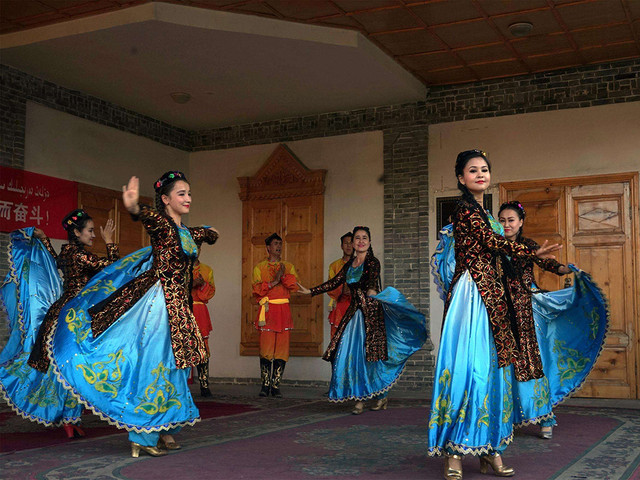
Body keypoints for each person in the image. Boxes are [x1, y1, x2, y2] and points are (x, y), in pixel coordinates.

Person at [47, 171, 219, 457]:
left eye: (189, 193)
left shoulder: (187, 232)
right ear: (165, 199)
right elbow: (146, 216)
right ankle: (142, 434)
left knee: (175, 368)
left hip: (179, 307)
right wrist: (133, 206)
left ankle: (164, 426)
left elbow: (209, 234)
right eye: (181, 194)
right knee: (152, 367)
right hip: (158, 306)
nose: (188, 198)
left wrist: (209, 232)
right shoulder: (163, 226)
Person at [427, 150, 564, 479]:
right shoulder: (463, 209)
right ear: (461, 178)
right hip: (472, 294)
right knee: (466, 368)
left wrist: (536, 257)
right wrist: (529, 250)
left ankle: (490, 450)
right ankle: (454, 453)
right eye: (472, 170)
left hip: (494, 299)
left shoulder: (485, 212)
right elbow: (491, 242)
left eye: (484, 170)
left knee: (493, 372)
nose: (480, 174)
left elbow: (500, 245)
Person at [0, 211, 118, 438]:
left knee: (68, 367)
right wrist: (110, 241)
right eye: (91, 231)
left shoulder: (67, 253)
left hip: (63, 313)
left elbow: (53, 259)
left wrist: (44, 239)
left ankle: (70, 419)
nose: (94, 235)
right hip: (76, 317)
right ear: (77, 232)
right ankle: (69, 418)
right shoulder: (81, 256)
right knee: (76, 367)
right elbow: (111, 268)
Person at [498, 200, 608, 440]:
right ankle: (506, 417)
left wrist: (566, 270)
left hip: (529, 309)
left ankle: (544, 416)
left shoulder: (528, 245)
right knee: (503, 365)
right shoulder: (494, 247)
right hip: (500, 313)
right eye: (503, 220)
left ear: (520, 223)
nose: (507, 225)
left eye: (511, 220)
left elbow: (547, 264)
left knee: (534, 362)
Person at [298, 226, 427, 414]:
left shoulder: (373, 262)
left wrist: (372, 291)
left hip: (370, 313)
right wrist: (311, 291)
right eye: (357, 238)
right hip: (354, 314)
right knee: (352, 355)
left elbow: (373, 279)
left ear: (369, 241)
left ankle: (381, 396)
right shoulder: (349, 265)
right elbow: (334, 282)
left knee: (372, 357)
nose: (360, 241)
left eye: (364, 238)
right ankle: (359, 399)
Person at [252, 233, 298, 398]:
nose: (278, 247)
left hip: (283, 310)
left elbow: (293, 285)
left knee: (282, 349)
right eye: (275, 244)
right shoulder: (259, 267)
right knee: (266, 348)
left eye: (280, 243)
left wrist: (282, 277)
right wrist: (274, 281)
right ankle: (265, 385)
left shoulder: (288, 266)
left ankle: (276, 385)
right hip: (268, 311)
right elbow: (257, 289)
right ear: (268, 248)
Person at [191, 252, 216, 397]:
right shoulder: (179, 268)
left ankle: (204, 384)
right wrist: (191, 284)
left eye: (198, 246)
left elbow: (209, 293)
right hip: (184, 308)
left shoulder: (207, 270)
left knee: (202, 347)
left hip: (200, 309)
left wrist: (202, 285)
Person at [327, 232, 353, 338]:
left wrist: (353, 290)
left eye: (351, 243)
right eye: (345, 243)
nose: (348, 245)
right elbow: (331, 286)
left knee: (354, 335)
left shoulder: (361, 264)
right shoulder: (334, 266)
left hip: (355, 304)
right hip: (339, 304)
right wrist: (342, 290)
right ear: (341, 246)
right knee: (338, 336)